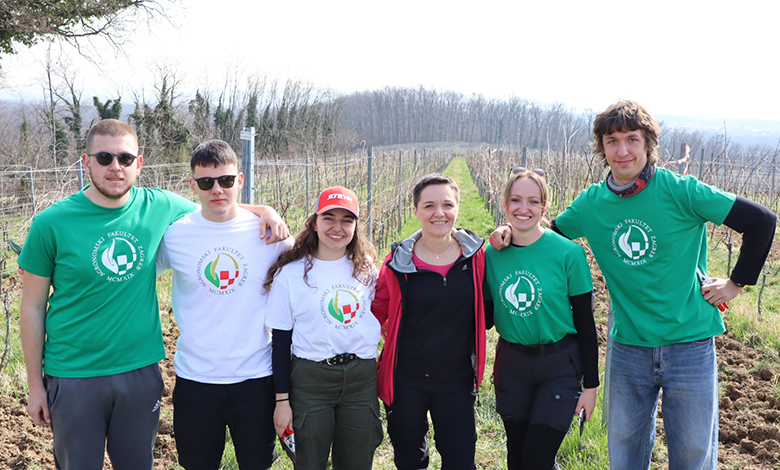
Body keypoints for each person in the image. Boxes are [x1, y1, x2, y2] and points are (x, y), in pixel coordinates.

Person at [490, 100, 777, 470]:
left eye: (632, 139)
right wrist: (508, 233)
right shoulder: (592, 203)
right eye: (612, 141)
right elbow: (546, 238)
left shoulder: (681, 191)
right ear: (602, 148)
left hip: (688, 343)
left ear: (648, 145)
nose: (622, 151)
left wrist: (736, 283)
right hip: (628, 347)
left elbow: (762, 222)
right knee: (624, 453)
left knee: (692, 454)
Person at [18, 119, 287, 470]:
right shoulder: (51, 223)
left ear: (139, 164)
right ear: (86, 162)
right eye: (104, 158)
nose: (115, 167)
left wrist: (263, 211)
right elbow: (33, 306)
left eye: (125, 159)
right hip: (73, 376)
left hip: (140, 373)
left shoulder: (159, 206)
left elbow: (217, 209)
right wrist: (35, 384)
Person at [155, 140, 293, 469]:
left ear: (240, 181)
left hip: (256, 379)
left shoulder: (270, 234)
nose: (217, 189)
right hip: (196, 381)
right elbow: (133, 271)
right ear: (193, 186)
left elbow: (314, 268)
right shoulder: (175, 236)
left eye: (226, 181)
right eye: (206, 182)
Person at [484, 168, 598, 470]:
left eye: (533, 201)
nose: (524, 209)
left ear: (545, 206)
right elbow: (483, 318)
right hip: (512, 365)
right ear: (505, 204)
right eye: (516, 200)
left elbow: (586, 323)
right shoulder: (490, 255)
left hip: (559, 366)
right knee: (517, 458)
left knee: (537, 458)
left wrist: (591, 386)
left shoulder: (568, 254)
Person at [372, 173, 487, 470]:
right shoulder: (396, 263)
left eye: (447, 204)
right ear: (416, 211)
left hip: (456, 378)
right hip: (406, 377)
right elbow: (376, 311)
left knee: (460, 459)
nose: (439, 213)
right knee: (410, 459)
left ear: (458, 208)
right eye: (429, 206)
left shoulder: (477, 258)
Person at [265, 185, 383, 470]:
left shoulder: (366, 269)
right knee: (308, 462)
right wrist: (282, 400)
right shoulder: (291, 274)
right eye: (329, 217)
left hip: (361, 379)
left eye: (347, 220)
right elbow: (280, 342)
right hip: (310, 381)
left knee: (357, 462)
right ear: (314, 222)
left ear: (355, 225)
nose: (337, 227)